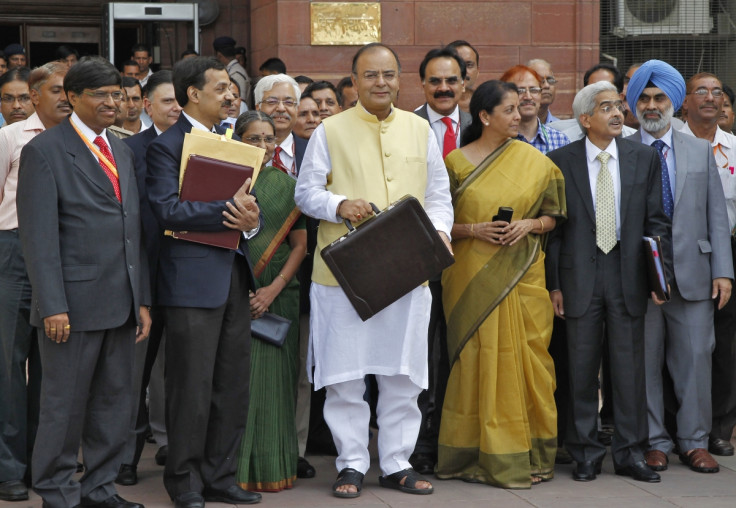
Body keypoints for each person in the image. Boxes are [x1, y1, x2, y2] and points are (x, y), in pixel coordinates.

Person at [294, 42, 454, 499]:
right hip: (344, 276)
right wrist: (339, 203)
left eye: (388, 74)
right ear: (355, 81)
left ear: (400, 79)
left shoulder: (419, 130)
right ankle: (350, 464)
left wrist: (440, 232)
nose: (380, 83)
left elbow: (439, 194)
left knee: (403, 376)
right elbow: (305, 193)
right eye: (370, 75)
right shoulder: (330, 130)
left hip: (408, 271)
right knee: (344, 377)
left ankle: (396, 463)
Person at [17, 55, 151, 508]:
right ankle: (56, 490)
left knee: (114, 404)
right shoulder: (45, 150)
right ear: (72, 98)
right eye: (101, 94)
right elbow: (37, 237)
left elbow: (133, 230)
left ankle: (99, 487)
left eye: (117, 93)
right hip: (71, 306)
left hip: (122, 301)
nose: (113, 102)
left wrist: (143, 299)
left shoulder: (123, 149)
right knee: (63, 406)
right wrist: (52, 304)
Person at [436, 80, 565, 488]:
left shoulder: (537, 162)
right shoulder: (455, 163)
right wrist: (474, 229)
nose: (518, 115)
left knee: (530, 364)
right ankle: (471, 456)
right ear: (485, 116)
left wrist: (529, 224)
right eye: (508, 110)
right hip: (469, 278)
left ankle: (529, 457)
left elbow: (554, 217)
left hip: (523, 275)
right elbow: (437, 224)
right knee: (475, 363)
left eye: (519, 109)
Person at [146, 56, 262, 508]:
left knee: (231, 383)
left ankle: (221, 475)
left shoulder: (231, 141)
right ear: (193, 94)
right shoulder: (167, 146)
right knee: (190, 386)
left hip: (233, 275)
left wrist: (249, 220)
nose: (231, 95)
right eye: (220, 89)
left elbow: (247, 211)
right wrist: (226, 210)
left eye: (231, 89)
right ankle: (186, 482)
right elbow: (166, 209)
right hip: (190, 280)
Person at [547, 80, 671, 484]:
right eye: (606, 108)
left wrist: (658, 276)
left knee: (629, 370)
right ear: (585, 119)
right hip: (579, 275)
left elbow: (656, 221)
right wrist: (554, 285)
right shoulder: (561, 160)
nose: (618, 113)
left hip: (628, 273)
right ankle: (584, 452)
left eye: (619, 106)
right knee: (581, 369)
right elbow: (555, 231)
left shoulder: (642, 157)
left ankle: (630, 452)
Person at [626, 59, 733, 475]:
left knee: (695, 361)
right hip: (641, 278)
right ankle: (655, 442)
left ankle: (694, 442)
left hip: (695, 275)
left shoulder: (698, 149)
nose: (652, 106)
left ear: (675, 102)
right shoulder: (625, 149)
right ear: (635, 104)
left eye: (660, 98)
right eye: (645, 99)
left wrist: (723, 271)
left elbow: (716, 216)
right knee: (645, 363)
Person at [0, 61, 69, 503]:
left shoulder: (75, 140)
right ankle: (9, 467)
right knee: (9, 364)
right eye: (59, 89)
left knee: (53, 366)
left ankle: (44, 460)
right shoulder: (10, 137)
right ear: (37, 94)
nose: (66, 97)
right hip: (12, 250)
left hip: (62, 256)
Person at [234, 111, 307, 492]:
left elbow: (300, 246)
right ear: (237, 140)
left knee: (277, 383)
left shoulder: (289, 185)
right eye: (253, 138)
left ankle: (277, 465)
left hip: (278, 295)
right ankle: (235, 471)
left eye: (268, 139)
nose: (262, 146)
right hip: (233, 294)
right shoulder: (222, 181)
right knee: (238, 383)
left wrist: (272, 289)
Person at [116, 70, 181, 487]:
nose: (176, 108)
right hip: (143, 276)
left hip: (189, 276)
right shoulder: (128, 150)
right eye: (168, 101)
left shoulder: (203, 146)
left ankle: (179, 449)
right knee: (132, 374)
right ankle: (125, 457)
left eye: (181, 101)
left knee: (183, 372)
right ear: (147, 106)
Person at [411, 45, 471, 475]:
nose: (444, 87)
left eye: (452, 80)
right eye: (435, 80)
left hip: (471, 261)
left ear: (465, 84)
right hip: (416, 262)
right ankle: (417, 446)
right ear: (422, 85)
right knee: (419, 357)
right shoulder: (404, 127)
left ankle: (452, 440)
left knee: (457, 354)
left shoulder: (482, 125)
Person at [678, 72, 736, 458]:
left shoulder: (733, 147)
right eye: (701, 91)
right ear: (685, 102)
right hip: (682, 254)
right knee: (685, 347)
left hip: (727, 251)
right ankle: (675, 426)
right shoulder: (671, 143)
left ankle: (719, 427)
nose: (710, 98)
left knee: (725, 347)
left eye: (717, 92)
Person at [500, 65, 570, 154]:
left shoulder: (560, 141)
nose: (528, 97)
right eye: (520, 91)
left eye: (534, 90)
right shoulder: (497, 141)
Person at [446, 40, 479, 113]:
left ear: (477, 71)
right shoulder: (422, 117)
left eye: (469, 65)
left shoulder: (491, 108)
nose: (463, 70)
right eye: (457, 64)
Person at [527, 59, 560, 124]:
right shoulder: (512, 127)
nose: (547, 86)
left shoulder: (561, 129)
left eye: (550, 80)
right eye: (539, 80)